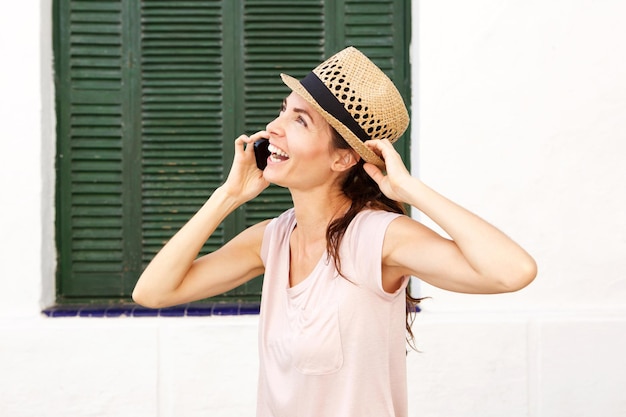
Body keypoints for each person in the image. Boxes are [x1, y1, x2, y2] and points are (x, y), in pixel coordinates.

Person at [132, 46, 537, 417]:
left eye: (299, 120)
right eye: (283, 110)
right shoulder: (271, 240)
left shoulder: (379, 238)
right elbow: (153, 292)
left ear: (344, 158)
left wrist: (410, 189)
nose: (274, 126)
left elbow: (512, 271)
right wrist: (227, 196)